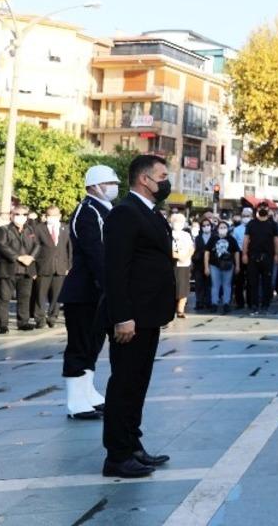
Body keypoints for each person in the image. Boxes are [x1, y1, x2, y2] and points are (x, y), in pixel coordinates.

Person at [101, 154, 176, 478]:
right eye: (161, 176)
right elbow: (115, 271)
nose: (165, 181)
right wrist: (123, 317)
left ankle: (133, 445)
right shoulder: (124, 213)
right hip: (131, 317)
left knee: (138, 384)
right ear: (145, 180)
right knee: (124, 385)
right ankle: (116, 456)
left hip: (149, 315)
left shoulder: (151, 214)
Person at [61, 166, 119, 420]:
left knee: (93, 344)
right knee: (79, 345)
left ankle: (88, 393)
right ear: (94, 186)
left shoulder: (105, 210)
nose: (113, 186)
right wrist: (111, 286)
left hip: (96, 292)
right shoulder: (87, 212)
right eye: (108, 182)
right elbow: (97, 254)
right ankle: (75, 401)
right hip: (84, 291)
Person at [0, 207, 39, 332]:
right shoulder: (4, 230)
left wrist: (31, 257)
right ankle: (3, 324)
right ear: (11, 215)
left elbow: (37, 245)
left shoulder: (30, 229)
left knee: (25, 296)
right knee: (4, 297)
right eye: (17, 214)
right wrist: (19, 257)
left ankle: (23, 322)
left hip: (26, 269)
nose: (21, 216)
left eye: (24, 214)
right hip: (9, 268)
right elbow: (2, 246)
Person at [33, 205, 72, 328]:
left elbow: (69, 248)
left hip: (60, 267)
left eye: (55, 215)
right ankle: (39, 319)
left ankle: (52, 317)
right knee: (40, 295)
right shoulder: (38, 229)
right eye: (50, 215)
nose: (52, 218)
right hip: (43, 267)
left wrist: (69, 266)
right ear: (46, 216)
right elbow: (34, 247)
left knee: (57, 295)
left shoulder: (65, 228)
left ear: (59, 216)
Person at [243, 203, 278, 315]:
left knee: (267, 282)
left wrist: (277, 254)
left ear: (268, 210)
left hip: (267, 256)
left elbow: (276, 240)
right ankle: (254, 304)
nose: (263, 209)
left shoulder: (272, 224)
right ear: (257, 209)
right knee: (252, 282)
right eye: (260, 207)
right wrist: (244, 254)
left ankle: (265, 304)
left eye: (265, 207)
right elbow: (246, 239)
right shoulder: (251, 223)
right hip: (253, 256)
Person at [208, 221, 239, 314]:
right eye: (220, 227)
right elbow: (207, 252)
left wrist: (237, 265)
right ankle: (214, 303)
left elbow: (236, 252)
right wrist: (206, 266)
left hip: (228, 265)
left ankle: (226, 303)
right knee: (215, 285)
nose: (222, 229)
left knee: (227, 285)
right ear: (217, 229)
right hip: (214, 265)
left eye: (224, 227)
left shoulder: (231, 239)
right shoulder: (213, 239)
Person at [169, 213, 194, 319]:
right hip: (173, 264)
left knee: (184, 288)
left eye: (180, 222)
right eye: (175, 221)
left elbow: (192, 248)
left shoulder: (186, 235)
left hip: (185, 264)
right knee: (173, 288)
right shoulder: (169, 234)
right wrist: (177, 256)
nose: (177, 224)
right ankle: (170, 309)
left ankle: (181, 310)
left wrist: (186, 256)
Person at [191, 215, 214, 311]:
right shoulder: (198, 238)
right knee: (199, 284)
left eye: (208, 225)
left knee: (209, 284)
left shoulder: (215, 236)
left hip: (212, 263)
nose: (206, 227)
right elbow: (194, 249)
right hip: (199, 264)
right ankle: (199, 302)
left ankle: (208, 302)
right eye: (204, 225)